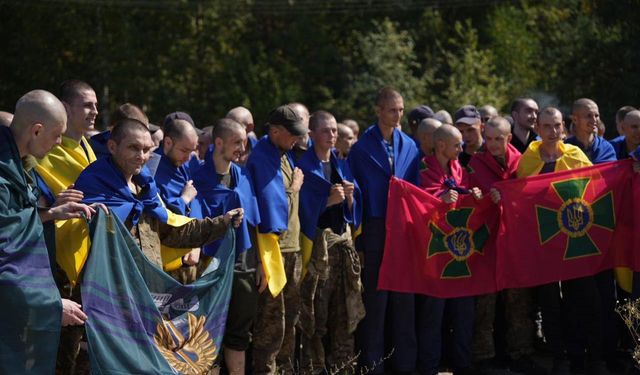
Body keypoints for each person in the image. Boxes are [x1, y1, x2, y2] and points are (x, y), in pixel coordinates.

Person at [0, 90, 97, 373]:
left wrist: (51, 213)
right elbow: (6, 260)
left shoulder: (18, 169)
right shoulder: (4, 180)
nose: (58, 144)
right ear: (37, 130)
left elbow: (17, 223)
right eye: (57, 136)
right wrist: (52, 304)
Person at [74, 118, 243, 270]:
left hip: (147, 291)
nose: (141, 156)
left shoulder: (146, 188)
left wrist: (223, 222)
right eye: (133, 148)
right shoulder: (93, 185)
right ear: (112, 146)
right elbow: (76, 242)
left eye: (147, 149)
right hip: (110, 293)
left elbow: (172, 231)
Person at [504, 107, 595, 374]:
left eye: (557, 126)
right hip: (541, 241)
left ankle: (577, 352)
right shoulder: (528, 160)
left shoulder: (577, 156)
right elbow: (519, 197)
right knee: (549, 300)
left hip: (572, 239)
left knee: (575, 297)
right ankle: (557, 352)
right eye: (546, 126)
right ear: (538, 130)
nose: (553, 131)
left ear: (564, 128)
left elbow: (595, 188)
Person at [348, 87, 420, 374]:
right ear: (378, 110)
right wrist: (361, 240)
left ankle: (405, 364)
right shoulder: (362, 148)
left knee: (404, 301)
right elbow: (358, 193)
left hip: (402, 230)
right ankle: (373, 365)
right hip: (376, 229)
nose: (398, 115)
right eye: (392, 109)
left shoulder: (410, 146)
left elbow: (416, 190)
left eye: (401, 109)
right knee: (376, 304)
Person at [467, 117, 547, 375]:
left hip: (516, 243)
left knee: (519, 301)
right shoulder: (475, 163)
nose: (492, 144)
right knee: (485, 303)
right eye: (488, 139)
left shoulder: (523, 162)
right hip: (487, 244)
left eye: (498, 139)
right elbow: (469, 198)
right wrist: (482, 198)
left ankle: (521, 352)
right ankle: (483, 356)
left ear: (509, 138)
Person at [192, 118, 266, 375]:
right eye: (237, 143)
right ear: (219, 142)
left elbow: (254, 223)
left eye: (244, 143)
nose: (241, 149)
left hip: (243, 266)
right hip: (208, 268)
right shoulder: (196, 177)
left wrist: (260, 264)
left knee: (239, 334)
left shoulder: (243, 176)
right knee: (203, 334)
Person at [297, 110, 364, 374]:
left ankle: (343, 367)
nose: (332, 135)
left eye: (335, 130)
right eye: (326, 130)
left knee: (344, 313)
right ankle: (313, 368)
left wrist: (348, 199)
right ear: (311, 135)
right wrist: (327, 202)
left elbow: (354, 210)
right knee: (316, 316)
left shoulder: (340, 164)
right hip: (318, 255)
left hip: (342, 251)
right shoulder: (304, 168)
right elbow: (300, 212)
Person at [246, 104, 306, 375]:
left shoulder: (283, 154)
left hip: (290, 249)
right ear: (274, 130)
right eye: (292, 134)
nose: (297, 139)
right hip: (273, 253)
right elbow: (268, 209)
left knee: (289, 321)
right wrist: (294, 189)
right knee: (271, 327)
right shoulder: (263, 157)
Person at [419, 124, 483, 375]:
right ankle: (429, 365)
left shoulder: (459, 168)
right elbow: (419, 198)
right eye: (457, 144)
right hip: (435, 248)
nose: (462, 148)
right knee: (434, 312)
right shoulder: (424, 167)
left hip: (459, 248)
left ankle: (462, 362)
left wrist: (474, 194)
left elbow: (463, 195)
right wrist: (439, 199)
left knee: (463, 310)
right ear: (441, 145)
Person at [563, 98, 619, 373]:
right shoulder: (565, 149)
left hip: (601, 237)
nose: (593, 120)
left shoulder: (606, 149)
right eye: (587, 115)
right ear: (574, 119)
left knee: (604, 297)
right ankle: (576, 355)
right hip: (573, 236)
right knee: (575, 298)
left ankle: (601, 355)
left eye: (596, 115)